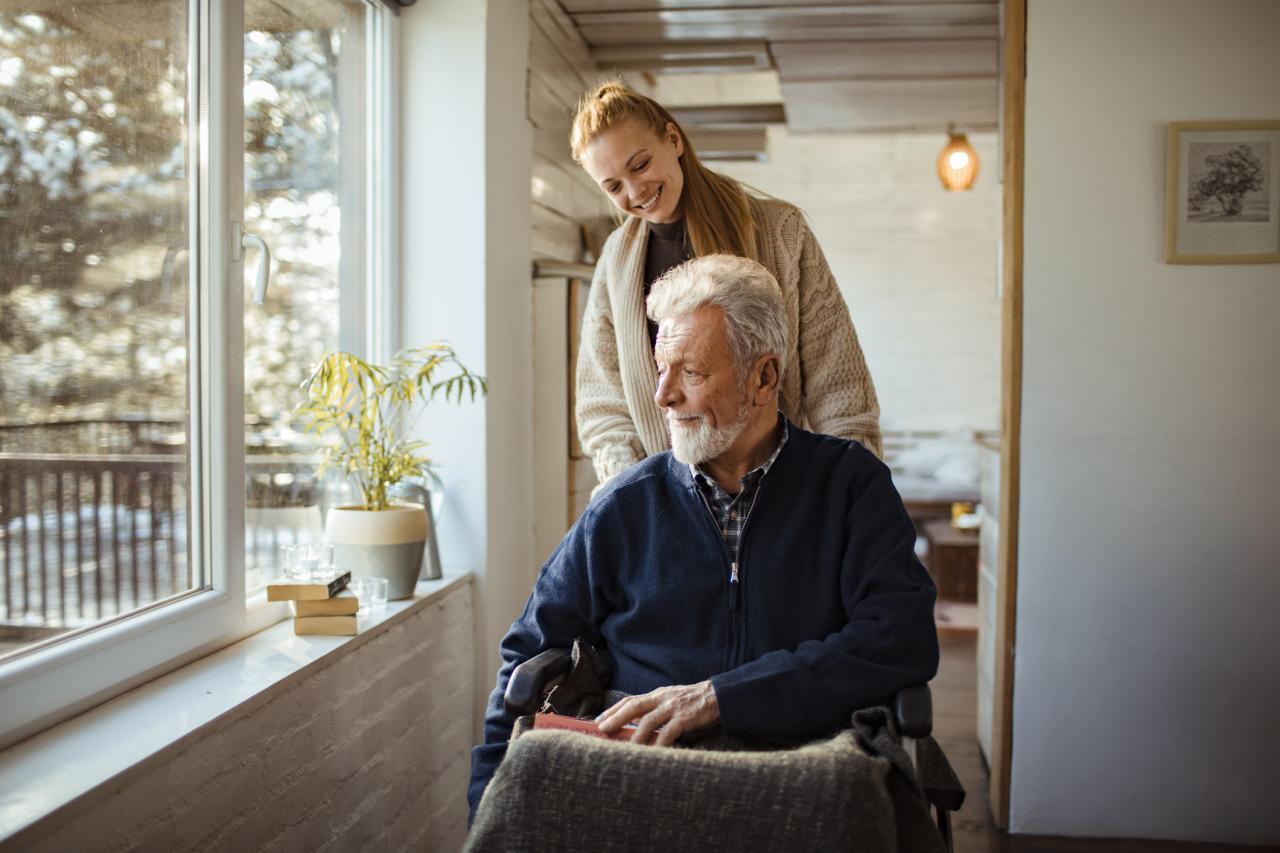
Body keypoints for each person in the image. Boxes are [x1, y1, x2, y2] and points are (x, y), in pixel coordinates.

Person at [467, 255, 938, 819]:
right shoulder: (626, 503)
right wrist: (486, 803)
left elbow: (899, 637)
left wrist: (721, 698)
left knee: (849, 797)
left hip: (798, 756)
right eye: (661, 369)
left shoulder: (851, 486)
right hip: (643, 759)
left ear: (764, 377)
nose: (664, 396)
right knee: (534, 782)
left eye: (690, 372)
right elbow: (529, 651)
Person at [572, 81, 883, 492]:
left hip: (781, 493)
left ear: (673, 139)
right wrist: (633, 493)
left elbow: (839, 383)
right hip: (671, 505)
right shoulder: (616, 260)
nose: (634, 191)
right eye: (612, 186)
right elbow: (602, 402)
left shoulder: (781, 232)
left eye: (641, 165)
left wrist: (850, 494)